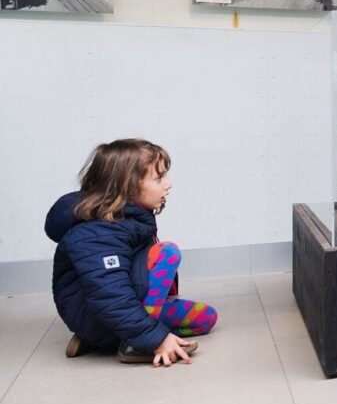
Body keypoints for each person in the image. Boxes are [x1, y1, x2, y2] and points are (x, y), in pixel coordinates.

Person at [44, 139, 218, 367]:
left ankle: (114, 337)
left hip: (118, 311)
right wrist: (157, 338)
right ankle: (135, 343)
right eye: (159, 178)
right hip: (97, 315)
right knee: (167, 253)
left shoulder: (128, 216)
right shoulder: (96, 231)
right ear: (127, 187)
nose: (168, 184)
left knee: (205, 318)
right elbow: (110, 295)